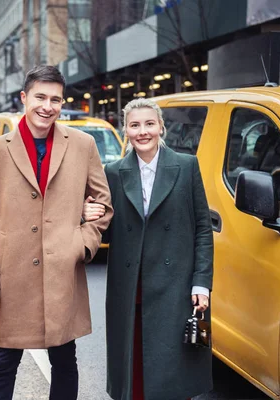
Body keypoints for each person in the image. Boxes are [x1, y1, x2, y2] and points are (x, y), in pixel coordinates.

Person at [0, 65, 113, 400]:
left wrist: (80, 244)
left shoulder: (82, 144)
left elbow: (103, 205)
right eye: (40, 97)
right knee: (3, 363)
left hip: (62, 275)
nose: (47, 106)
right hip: (13, 277)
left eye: (55, 99)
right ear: (24, 98)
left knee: (65, 361)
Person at [83, 98, 214, 400]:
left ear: (161, 128)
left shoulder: (186, 166)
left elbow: (203, 230)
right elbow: (106, 226)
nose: (143, 132)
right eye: (135, 125)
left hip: (176, 286)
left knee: (172, 374)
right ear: (126, 131)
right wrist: (87, 213)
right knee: (135, 371)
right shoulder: (113, 172)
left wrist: (201, 283)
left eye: (149, 124)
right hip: (131, 287)